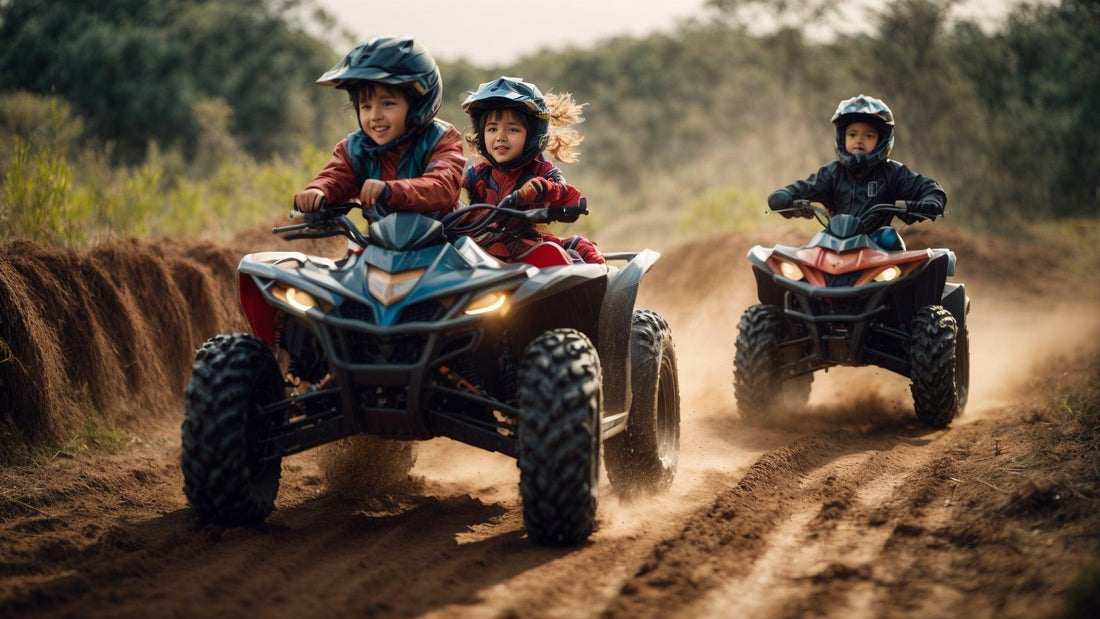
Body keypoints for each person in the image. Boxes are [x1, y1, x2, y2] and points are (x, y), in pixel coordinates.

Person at [294, 36, 464, 219]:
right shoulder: (355, 148)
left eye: (388, 104)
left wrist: (390, 190)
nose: (375, 116)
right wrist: (318, 191)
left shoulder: (441, 139)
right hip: (382, 243)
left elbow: (442, 186)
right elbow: (336, 177)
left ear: (418, 105)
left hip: (444, 239)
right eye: (366, 106)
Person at [767, 94, 947, 250]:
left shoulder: (893, 173)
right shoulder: (831, 173)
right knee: (790, 263)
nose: (859, 140)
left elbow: (930, 189)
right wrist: (784, 197)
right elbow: (801, 188)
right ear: (842, 137)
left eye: (868, 136)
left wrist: (930, 202)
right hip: (834, 244)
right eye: (852, 135)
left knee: (921, 260)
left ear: (882, 140)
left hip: (881, 249)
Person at [460, 76, 605, 266]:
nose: (500, 137)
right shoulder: (475, 173)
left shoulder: (542, 171)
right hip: (477, 249)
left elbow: (567, 196)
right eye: (492, 129)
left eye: (512, 130)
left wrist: (540, 190)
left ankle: (601, 287)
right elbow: (446, 190)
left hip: (526, 248)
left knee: (582, 249)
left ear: (532, 136)